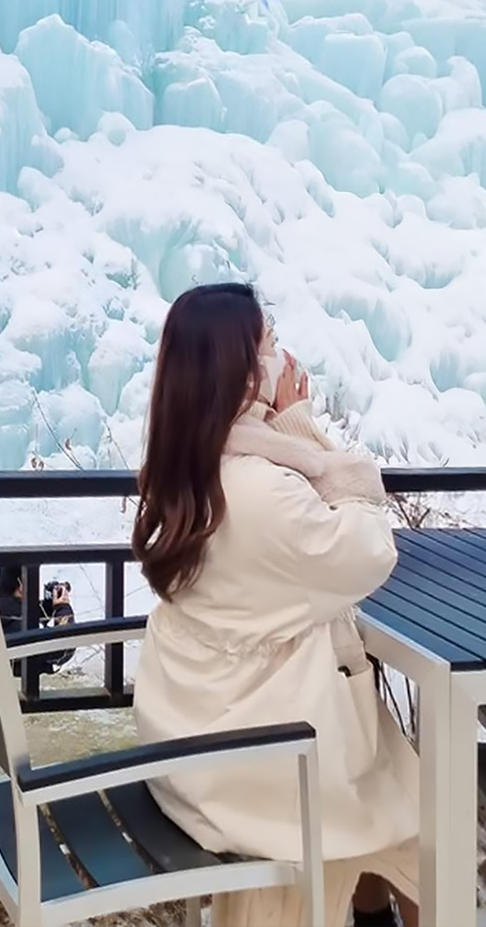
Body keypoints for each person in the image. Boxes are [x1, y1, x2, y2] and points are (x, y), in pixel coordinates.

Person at [131, 283, 419, 927]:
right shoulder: (262, 489)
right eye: (269, 345)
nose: (283, 359)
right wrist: (302, 425)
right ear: (240, 371)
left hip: (191, 734)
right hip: (262, 762)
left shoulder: (183, 470)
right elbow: (368, 552)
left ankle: (371, 913)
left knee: (398, 793)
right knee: (425, 819)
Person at [0, 571, 76, 679]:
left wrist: (47, 605)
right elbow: (64, 648)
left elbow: (25, 616)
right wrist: (63, 607)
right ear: (21, 586)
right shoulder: (18, 622)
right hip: (18, 686)